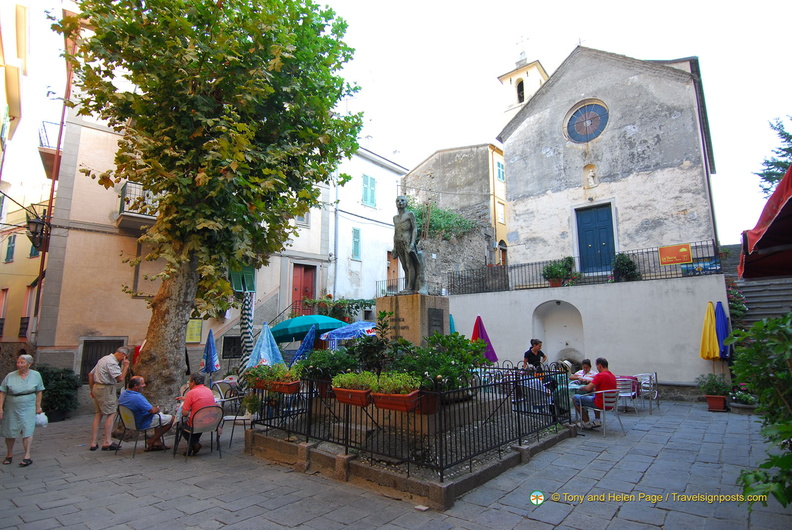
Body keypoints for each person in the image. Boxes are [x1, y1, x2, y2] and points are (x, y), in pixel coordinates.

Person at [0, 354, 44, 467]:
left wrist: (38, 407)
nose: (19, 365)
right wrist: (0, 408)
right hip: (11, 407)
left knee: (28, 430)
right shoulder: (10, 376)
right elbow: (3, 391)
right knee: (10, 431)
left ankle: (27, 456)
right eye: (18, 362)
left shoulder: (36, 375)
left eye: (22, 363)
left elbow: (39, 391)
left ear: (29, 364)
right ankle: (9, 454)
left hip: (29, 406)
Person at [88, 346, 131, 451]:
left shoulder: (103, 359)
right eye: (126, 357)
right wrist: (125, 366)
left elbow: (90, 374)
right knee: (111, 413)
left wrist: (92, 389)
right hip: (106, 388)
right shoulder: (112, 362)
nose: (125, 359)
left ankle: (93, 442)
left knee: (98, 414)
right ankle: (107, 441)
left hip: (96, 387)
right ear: (123, 355)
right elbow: (120, 378)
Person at [118, 376, 174, 451]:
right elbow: (152, 411)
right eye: (142, 384)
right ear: (135, 386)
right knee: (172, 419)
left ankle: (157, 442)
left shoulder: (124, 394)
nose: (144, 385)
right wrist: (157, 409)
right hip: (142, 421)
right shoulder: (137, 398)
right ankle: (152, 440)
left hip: (129, 422)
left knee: (159, 417)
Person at [175, 373, 216, 456]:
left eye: (189, 382)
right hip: (211, 422)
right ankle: (191, 446)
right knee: (196, 424)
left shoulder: (191, 393)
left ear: (193, 382)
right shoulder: (208, 390)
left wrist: (188, 405)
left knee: (181, 426)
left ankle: (195, 444)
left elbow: (185, 413)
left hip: (198, 422)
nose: (188, 384)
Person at [392, 195, 426, 294]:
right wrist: (394, 246)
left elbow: (414, 228)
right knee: (404, 267)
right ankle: (407, 286)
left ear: (406, 203)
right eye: (398, 201)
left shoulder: (410, 214)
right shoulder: (395, 218)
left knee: (409, 265)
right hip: (398, 242)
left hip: (407, 241)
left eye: (402, 200)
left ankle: (410, 288)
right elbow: (395, 232)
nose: (400, 202)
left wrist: (412, 243)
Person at [573, 357, 617, 429]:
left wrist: (582, 388)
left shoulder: (600, 375)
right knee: (594, 395)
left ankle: (586, 422)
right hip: (610, 404)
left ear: (599, 366)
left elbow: (588, 388)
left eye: (597, 366)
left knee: (575, 398)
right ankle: (597, 420)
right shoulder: (612, 376)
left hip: (600, 403)